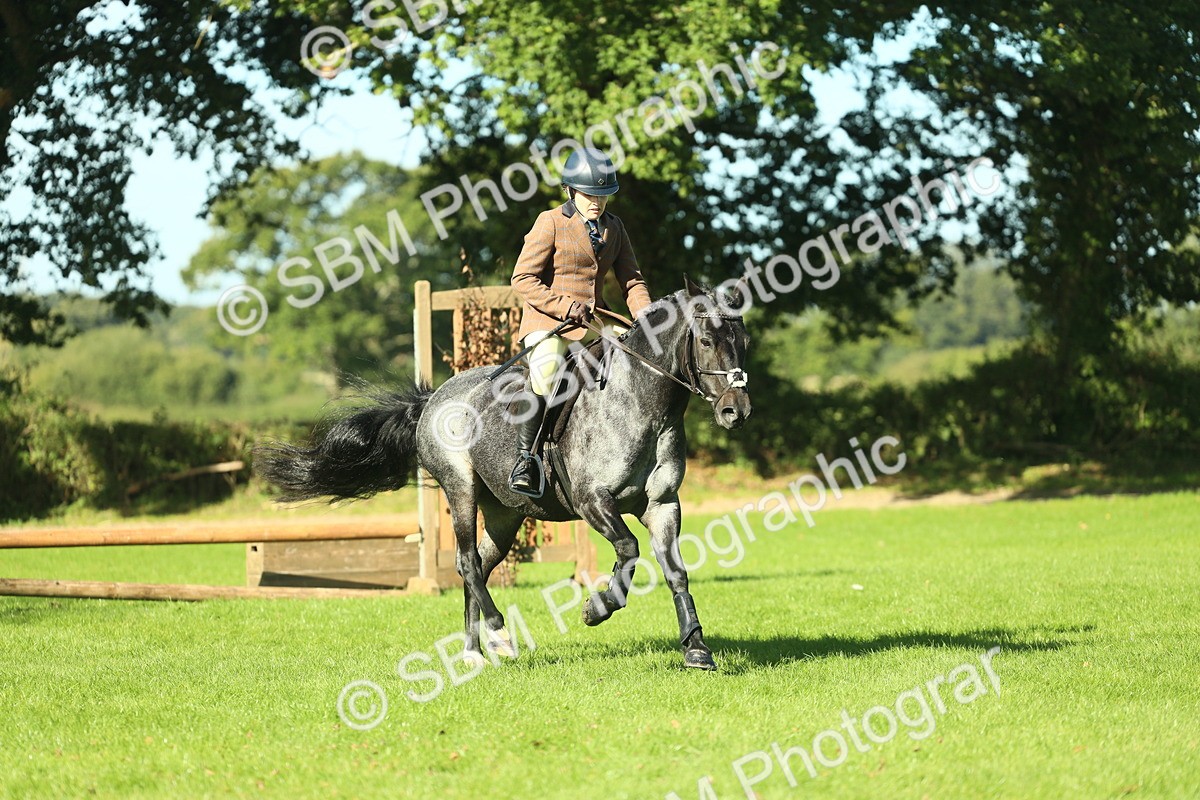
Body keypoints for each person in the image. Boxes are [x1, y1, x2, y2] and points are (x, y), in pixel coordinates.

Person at [508, 147, 653, 497]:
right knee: (544, 372)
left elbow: (632, 280)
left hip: (594, 319)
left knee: (644, 355)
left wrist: (649, 318)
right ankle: (525, 460)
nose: (596, 203)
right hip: (549, 320)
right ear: (571, 191)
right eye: (590, 195)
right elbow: (523, 279)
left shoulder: (614, 228)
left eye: (602, 196)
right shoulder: (551, 222)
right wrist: (564, 306)